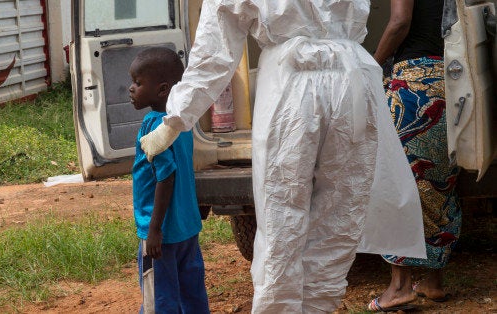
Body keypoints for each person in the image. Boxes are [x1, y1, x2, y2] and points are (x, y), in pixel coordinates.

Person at [139, 1, 424, 313]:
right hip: (349, 79)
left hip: (294, 86)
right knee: (334, 222)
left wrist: (176, 119)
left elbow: (216, 46)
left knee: (290, 222)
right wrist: (177, 119)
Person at [368, 0, 461, 311]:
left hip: (413, 85)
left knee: (399, 182)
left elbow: (399, 22)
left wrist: (370, 66)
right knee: (440, 183)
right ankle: (434, 283)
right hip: (453, 80)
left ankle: (400, 287)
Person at [129, 47, 210, 313]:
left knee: (159, 299)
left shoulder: (153, 124)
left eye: (138, 83)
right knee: (192, 294)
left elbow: (166, 177)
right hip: (186, 227)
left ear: (162, 89)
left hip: (161, 234)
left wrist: (154, 230)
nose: (131, 88)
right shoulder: (181, 123)